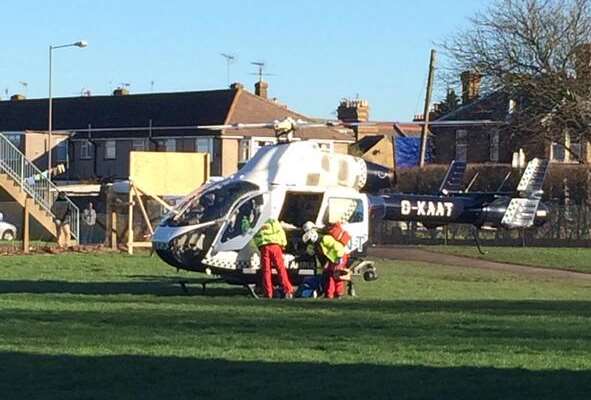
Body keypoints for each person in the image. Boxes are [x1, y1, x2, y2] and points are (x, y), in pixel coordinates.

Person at [302, 221, 350, 299]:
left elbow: (338, 247)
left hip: (339, 256)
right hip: (334, 258)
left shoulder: (325, 239)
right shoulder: (319, 242)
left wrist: (338, 258)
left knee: (336, 275)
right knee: (330, 275)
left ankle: (337, 294)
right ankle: (331, 294)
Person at [254, 218, 294, 299]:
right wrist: (283, 244)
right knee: (280, 269)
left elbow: (254, 234)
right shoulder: (274, 221)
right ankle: (288, 290)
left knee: (266, 271)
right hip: (275, 246)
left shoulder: (258, 222)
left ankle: (268, 293)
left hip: (264, 247)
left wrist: (258, 245)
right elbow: (281, 232)